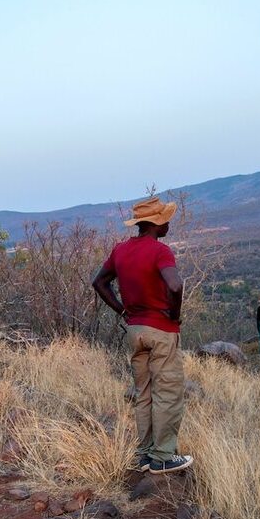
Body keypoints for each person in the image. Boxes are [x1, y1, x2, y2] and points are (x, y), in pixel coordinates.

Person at [92, 196, 193, 474]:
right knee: (168, 392)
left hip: (134, 330)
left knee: (143, 392)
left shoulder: (121, 250)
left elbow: (99, 283)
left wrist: (122, 311)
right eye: (166, 220)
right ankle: (163, 457)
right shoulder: (160, 251)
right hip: (161, 330)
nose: (169, 224)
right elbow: (175, 285)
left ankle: (145, 454)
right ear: (157, 224)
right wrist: (174, 314)